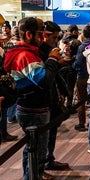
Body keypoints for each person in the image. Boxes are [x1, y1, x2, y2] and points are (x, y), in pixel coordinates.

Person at [3, 17, 66, 180]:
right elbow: (44, 81)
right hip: (33, 109)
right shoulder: (25, 55)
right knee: (36, 152)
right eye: (40, 34)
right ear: (29, 34)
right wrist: (52, 59)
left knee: (32, 150)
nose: (43, 38)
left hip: (32, 107)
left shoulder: (26, 52)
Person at [39, 21, 70, 173]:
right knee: (42, 137)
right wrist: (54, 61)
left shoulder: (51, 50)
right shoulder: (39, 52)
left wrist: (63, 92)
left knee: (51, 133)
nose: (56, 41)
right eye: (54, 37)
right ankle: (42, 166)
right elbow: (45, 77)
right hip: (43, 100)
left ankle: (48, 159)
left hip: (54, 96)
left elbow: (54, 75)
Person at [73, 23, 90, 132]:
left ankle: (82, 123)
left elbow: (78, 63)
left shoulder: (82, 47)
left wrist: (73, 64)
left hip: (82, 77)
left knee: (81, 100)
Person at [59, 24, 81, 112]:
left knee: (62, 87)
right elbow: (79, 56)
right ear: (74, 32)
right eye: (77, 31)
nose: (78, 33)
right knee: (70, 87)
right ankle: (69, 106)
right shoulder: (76, 42)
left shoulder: (61, 41)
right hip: (71, 67)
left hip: (61, 66)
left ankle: (60, 105)